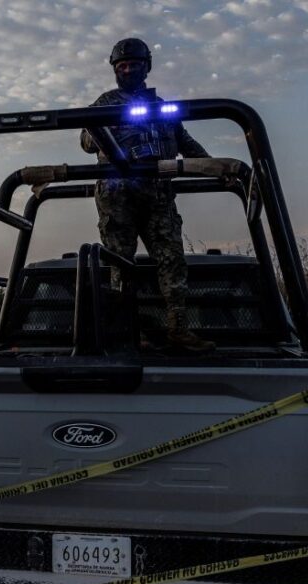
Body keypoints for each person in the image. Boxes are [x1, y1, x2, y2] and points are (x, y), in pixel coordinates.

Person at [80, 37, 214, 353]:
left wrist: (215, 167)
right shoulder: (105, 103)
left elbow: (186, 141)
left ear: (146, 67)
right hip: (118, 195)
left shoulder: (161, 107)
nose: (127, 70)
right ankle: (126, 333)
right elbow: (86, 140)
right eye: (121, 66)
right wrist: (107, 128)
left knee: (172, 260)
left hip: (158, 195)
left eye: (134, 65)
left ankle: (178, 331)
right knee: (121, 265)